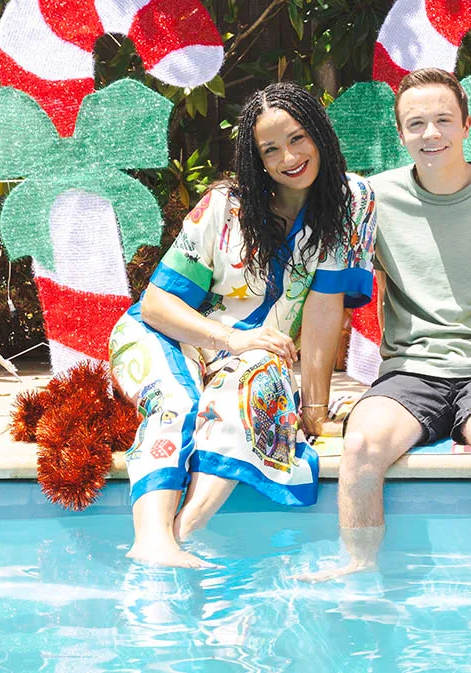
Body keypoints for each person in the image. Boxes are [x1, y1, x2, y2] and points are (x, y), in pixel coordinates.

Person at [306, 68, 471, 600]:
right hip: (410, 370)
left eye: (443, 119)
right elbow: (328, 300)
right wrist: (314, 404)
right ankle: (359, 566)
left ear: (466, 125)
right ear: (401, 135)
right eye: (416, 123)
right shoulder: (371, 200)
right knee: (363, 444)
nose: (431, 133)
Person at [108, 83, 376, 568]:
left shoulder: (352, 201)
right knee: (180, 401)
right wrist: (229, 338)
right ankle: (151, 541)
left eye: (297, 138)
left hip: (254, 351)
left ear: (319, 133)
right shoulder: (224, 205)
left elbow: (322, 311)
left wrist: (313, 409)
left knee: (253, 384)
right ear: (256, 159)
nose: (288, 157)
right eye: (270, 149)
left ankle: (183, 534)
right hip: (168, 335)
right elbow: (156, 305)